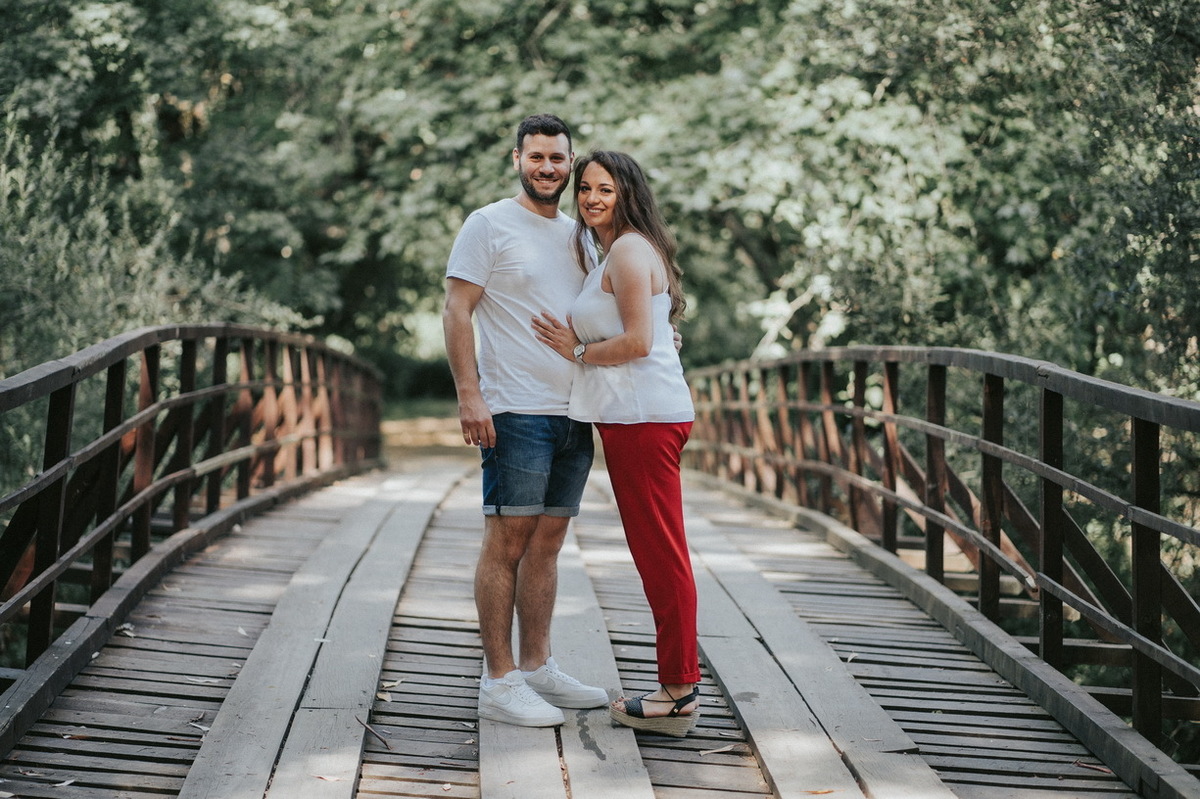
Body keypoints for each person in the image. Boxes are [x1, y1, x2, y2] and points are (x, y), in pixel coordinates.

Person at [443, 114, 609, 728]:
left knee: (549, 542)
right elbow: (456, 310)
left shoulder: (581, 235)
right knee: (507, 541)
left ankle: (538, 666)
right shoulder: (488, 224)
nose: (547, 167)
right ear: (517, 159)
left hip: (575, 411)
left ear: (570, 163)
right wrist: (470, 394)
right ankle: (499, 679)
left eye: (557, 158)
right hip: (514, 409)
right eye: (536, 156)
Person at [532, 150, 700, 737]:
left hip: (644, 420)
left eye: (605, 188)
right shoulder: (618, 251)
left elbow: (636, 343)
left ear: (628, 193)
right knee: (657, 550)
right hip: (635, 418)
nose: (591, 198)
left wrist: (575, 351)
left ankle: (678, 693)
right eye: (585, 188)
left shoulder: (628, 250)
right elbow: (654, 332)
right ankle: (677, 685)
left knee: (661, 553)